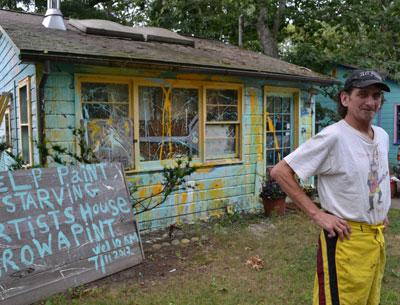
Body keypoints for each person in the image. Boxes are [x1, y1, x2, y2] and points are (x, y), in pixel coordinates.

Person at [271, 69, 391, 305]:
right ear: (345, 99)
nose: (370, 102)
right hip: (345, 241)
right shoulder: (334, 137)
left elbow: (373, 177)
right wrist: (317, 214)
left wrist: (379, 210)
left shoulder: (382, 136)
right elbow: (280, 172)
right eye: (363, 94)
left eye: (376, 96)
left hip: (375, 239)